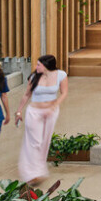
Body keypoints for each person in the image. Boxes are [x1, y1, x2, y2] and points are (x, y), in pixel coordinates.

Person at [14, 54, 66, 182]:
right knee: (34, 141)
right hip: (34, 112)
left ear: (46, 66)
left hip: (51, 112)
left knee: (44, 142)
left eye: (39, 65)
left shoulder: (61, 75)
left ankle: (39, 170)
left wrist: (53, 107)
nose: (36, 67)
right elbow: (27, 95)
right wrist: (19, 111)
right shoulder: (34, 77)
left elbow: (64, 93)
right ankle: (31, 173)